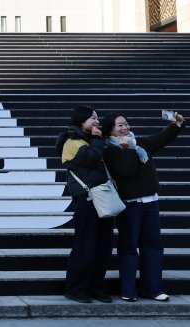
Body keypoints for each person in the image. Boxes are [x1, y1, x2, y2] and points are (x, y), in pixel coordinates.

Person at [101, 111, 186, 303]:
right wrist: (127, 149)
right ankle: (128, 289)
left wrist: (176, 124)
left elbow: (160, 139)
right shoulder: (109, 151)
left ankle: (152, 288)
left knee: (153, 246)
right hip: (129, 205)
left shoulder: (138, 143)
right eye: (120, 125)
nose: (125, 128)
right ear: (110, 130)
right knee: (129, 247)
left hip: (150, 202)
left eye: (126, 123)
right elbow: (126, 171)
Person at [55, 105, 114, 304]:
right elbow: (91, 159)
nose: (97, 121)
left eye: (97, 117)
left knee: (103, 246)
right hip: (86, 200)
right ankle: (75, 288)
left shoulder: (92, 140)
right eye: (92, 118)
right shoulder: (71, 142)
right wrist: (97, 139)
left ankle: (96, 287)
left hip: (102, 198)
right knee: (85, 246)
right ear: (81, 121)